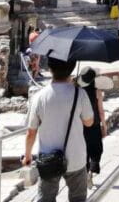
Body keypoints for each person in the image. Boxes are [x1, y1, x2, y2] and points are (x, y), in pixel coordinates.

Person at [24, 56, 94, 202]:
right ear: (72, 69)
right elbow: (89, 122)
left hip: (49, 160)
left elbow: (31, 132)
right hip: (76, 157)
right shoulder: (79, 93)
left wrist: (28, 156)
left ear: (50, 69)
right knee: (78, 198)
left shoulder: (39, 97)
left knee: (46, 199)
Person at [77, 68, 106, 189]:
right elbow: (101, 111)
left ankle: (86, 173)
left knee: (85, 151)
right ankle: (90, 173)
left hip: (81, 126)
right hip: (94, 125)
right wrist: (104, 126)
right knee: (96, 149)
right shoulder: (97, 92)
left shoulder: (77, 92)